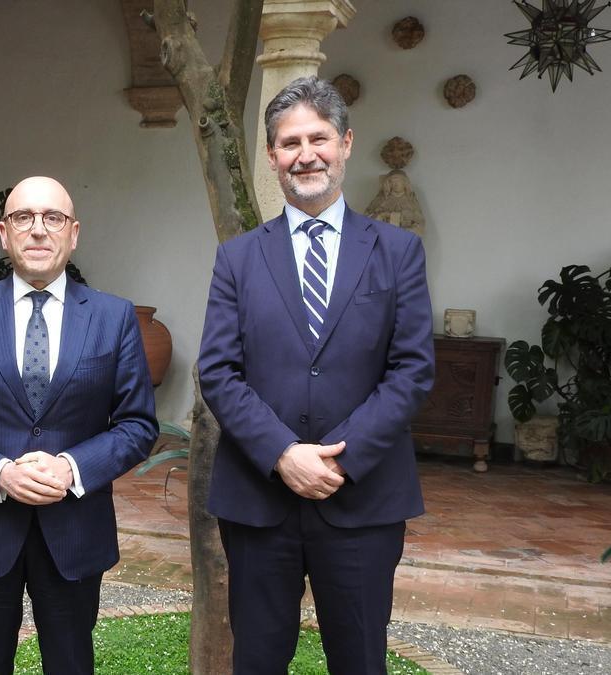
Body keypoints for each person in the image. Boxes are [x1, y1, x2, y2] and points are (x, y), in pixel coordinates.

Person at [197, 76, 435, 674]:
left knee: (359, 659)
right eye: (289, 142)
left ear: (346, 143)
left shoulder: (397, 251)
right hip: (259, 501)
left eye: (318, 138)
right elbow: (218, 371)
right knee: (257, 658)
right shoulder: (238, 257)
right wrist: (283, 454)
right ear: (273, 157)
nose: (306, 154)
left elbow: (411, 370)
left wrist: (337, 460)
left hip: (363, 498)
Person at [0, 176, 157, 674]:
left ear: (74, 233)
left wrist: (71, 467)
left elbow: (137, 424)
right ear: (4, 234)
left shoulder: (113, 317)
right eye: (23, 217)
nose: (39, 230)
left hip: (74, 533)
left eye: (53, 218)